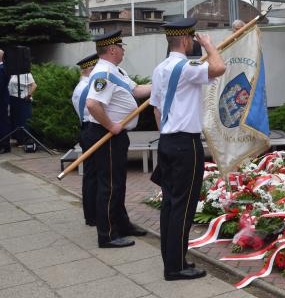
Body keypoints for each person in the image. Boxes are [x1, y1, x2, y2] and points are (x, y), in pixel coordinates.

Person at [150, 18, 225, 280]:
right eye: (193, 40)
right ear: (184, 40)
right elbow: (219, 67)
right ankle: (175, 267)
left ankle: (172, 259)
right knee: (184, 205)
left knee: (171, 204)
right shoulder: (188, 66)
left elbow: (157, 109)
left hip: (168, 141)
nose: (195, 43)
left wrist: (166, 136)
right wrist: (209, 46)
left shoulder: (160, 69)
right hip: (185, 144)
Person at [84, 30, 151, 248]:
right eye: (121, 46)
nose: (123, 50)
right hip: (108, 135)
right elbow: (93, 104)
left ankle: (123, 224)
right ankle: (108, 235)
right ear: (113, 49)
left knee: (118, 184)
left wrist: (163, 83)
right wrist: (110, 125)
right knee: (110, 185)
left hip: (117, 136)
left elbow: (139, 90)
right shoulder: (102, 73)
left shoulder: (116, 70)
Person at [71, 53, 99, 226]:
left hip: (86, 130)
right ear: (91, 69)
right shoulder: (88, 88)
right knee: (93, 176)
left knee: (90, 175)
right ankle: (93, 215)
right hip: (91, 129)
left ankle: (91, 215)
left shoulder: (80, 86)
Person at [8, 68, 36, 145]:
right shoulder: (12, 74)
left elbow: (34, 85)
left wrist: (29, 95)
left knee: (24, 119)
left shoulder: (27, 74)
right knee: (15, 119)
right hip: (13, 98)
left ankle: (26, 140)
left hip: (24, 99)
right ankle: (18, 139)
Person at [0, 50, 10, 154]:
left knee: (3, 122)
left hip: (2, 99)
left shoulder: (3, 68)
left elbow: (1, 85)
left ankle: (5, 145)